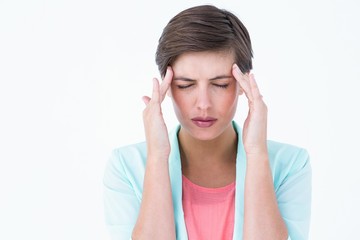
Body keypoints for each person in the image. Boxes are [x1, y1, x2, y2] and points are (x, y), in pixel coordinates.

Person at [103, 4, 311, 240]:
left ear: (244, 83)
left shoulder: (291, 165)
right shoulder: (126, 167)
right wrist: (157, 157)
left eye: (220, 84)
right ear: (167, 86)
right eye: (186, 85)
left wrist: (256, 154)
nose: (203, 103)